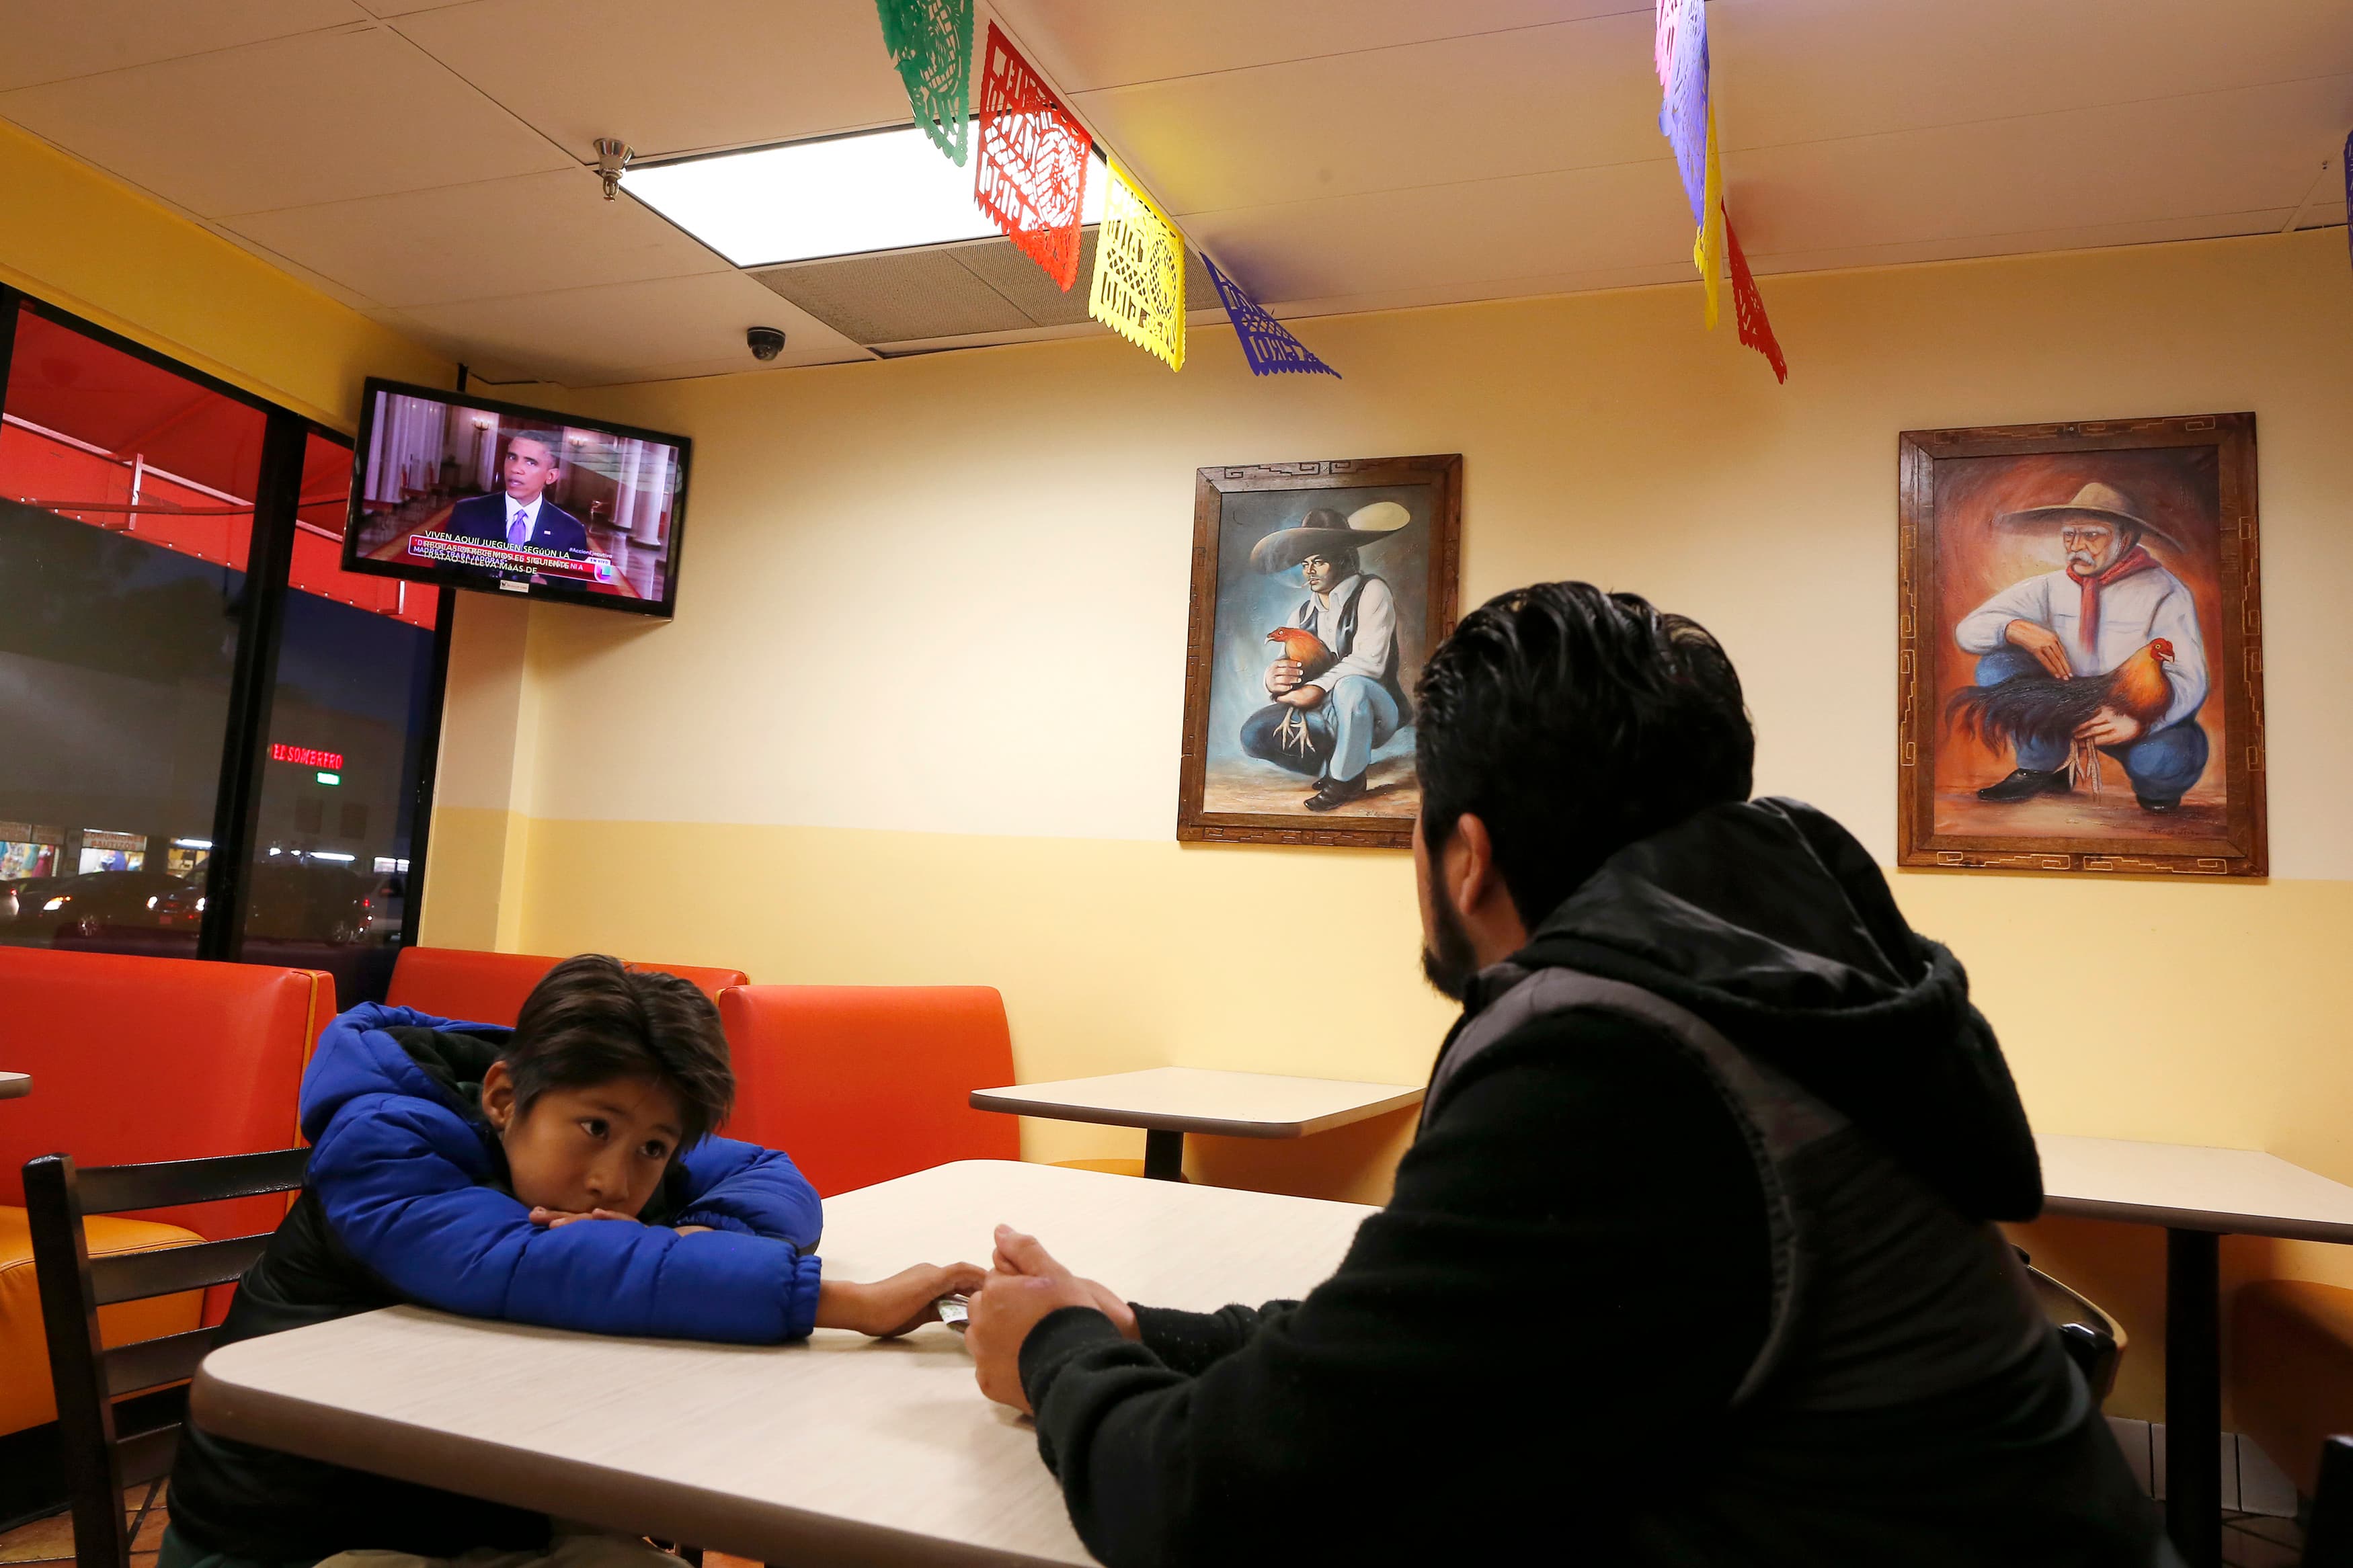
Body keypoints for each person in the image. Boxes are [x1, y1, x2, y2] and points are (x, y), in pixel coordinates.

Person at [967, 583, 2171, 1566]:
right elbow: (1424, 1356)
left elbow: (1211, 1511)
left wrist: (1053, 1356)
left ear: (1468, 855)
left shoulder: (1612, 1060)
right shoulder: (1786, 979)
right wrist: (1136, 1327)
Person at [163, 955, 982, 1568]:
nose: (613, 1181)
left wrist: (700, 1239)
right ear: (502, 1096)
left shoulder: (597, 1144)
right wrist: (846, 1303)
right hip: (300, 1538)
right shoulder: (388, 1140)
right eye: (595, 1128)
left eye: (652, 1148)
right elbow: (521, 1259)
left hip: (485, 1509)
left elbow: (767, 1175)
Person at [1955, 480, 2209, 811]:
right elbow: (1967, 632)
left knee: (2165, 758)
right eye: (2069, 535)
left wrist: (2141, 722)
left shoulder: (2164, 591)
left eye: (2092, 535)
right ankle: (2041, 765)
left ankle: (2157, 787)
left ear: (2126, 538)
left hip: (2126, 709)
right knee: (1997, 666)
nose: (2076, 546)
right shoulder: (2049, 587)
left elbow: (2189, 676)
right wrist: (2013, 628)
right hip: (2066, 702)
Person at [1236, 503, 1415, 811]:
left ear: (1344, 559)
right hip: (1325, 715)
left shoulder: (1372, 591)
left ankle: (1346, 780)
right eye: (1306, 563)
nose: (1309, 571)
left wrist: (1317, 688)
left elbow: (1369, 661)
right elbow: (1288, 665)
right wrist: (1274, 680)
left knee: (1351, 687)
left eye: (1319, 562)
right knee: (1254, 734)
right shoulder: (1301, 613)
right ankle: (1334, 764)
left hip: (1375, 712)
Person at [443, 431, 590, 556]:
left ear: (551, 476)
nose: (515, 469)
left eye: (531, 462)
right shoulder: (466, 513)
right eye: (512, 457)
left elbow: (570, 588)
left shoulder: (572, 531)